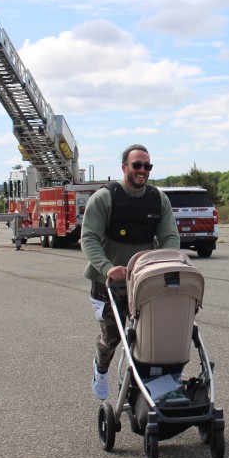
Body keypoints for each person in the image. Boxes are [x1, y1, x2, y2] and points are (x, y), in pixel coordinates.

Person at [81, 144, 179, 400]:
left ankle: (146, 384)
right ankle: (101, 369)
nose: (142, 170)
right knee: (112, 338)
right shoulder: (105, 198)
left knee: (149, 336)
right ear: (124, 167)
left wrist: (165, 263)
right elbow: (89, 238)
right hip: (108, 282)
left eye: (147, 166)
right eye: (137, 165)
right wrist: (107, 267)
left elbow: (170, 236)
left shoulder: (158, 199)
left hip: (144, 282)